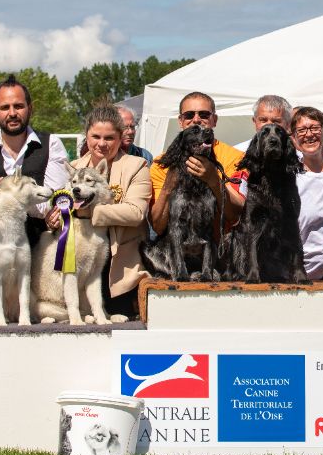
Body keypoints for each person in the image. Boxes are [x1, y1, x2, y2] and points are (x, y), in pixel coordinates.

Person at [0, 75, 69, 243]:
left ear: (30, 108)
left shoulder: (51, 145)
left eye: (18, 106)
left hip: (41, 250)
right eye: (5, 107)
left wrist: (3, 193)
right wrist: (30, 198)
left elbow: (53, 202)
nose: (12, 113)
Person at [73, 101, 152, 318]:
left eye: (109, 138)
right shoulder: (72, 168)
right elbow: (64, 209)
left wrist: (88, 212)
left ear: (120, 138)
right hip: (81, 272)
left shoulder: (137, 166)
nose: (102, 144)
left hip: (120, 276)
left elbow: (135, 213)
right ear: (86, 136)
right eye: (95, 137)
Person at [149, 92, 245, 236]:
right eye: (189, 115)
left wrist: (214, 180)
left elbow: (234, 217)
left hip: (218, 249)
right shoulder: (161, 164)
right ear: (180, 121)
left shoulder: (235, 158)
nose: (196, 119)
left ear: (214, 120)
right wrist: (168, 187)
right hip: (177, 251)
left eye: (204, 114)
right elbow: (158, 226)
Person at [288, 106, 323, 279]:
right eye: (301, 130)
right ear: (294, 138)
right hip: (301, 274)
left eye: (315, 128)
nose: (309, 135)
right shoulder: (290, 176)